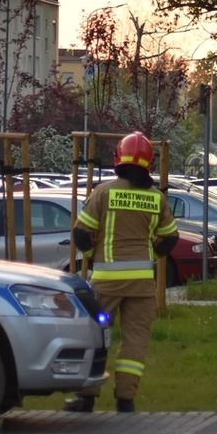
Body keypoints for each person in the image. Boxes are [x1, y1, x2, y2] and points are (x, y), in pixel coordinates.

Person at [63, 132, 179, 413]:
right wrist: (154, 254)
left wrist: (92, 256)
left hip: (106, 285)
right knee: (135, 341)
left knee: (97, 336)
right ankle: (125, 400)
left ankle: (87, 397)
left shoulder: (105, 192)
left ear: (119, 158)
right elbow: (170, 238)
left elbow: (80, 233)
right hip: (142, 286)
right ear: (149, 163)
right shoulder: (156, 198)